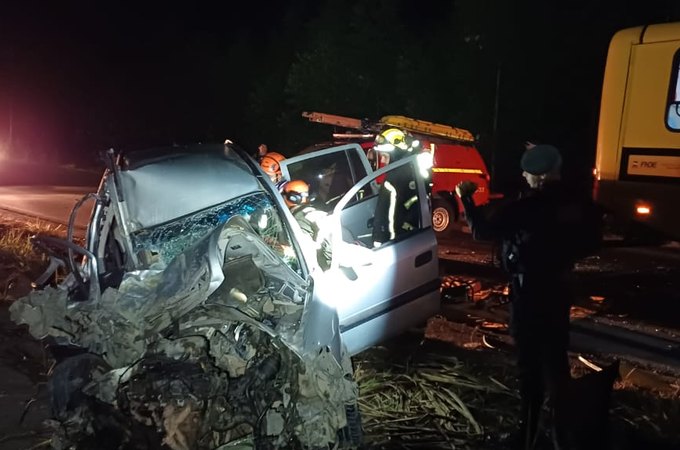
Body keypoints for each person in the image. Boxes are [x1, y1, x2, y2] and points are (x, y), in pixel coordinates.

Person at [455, 144, 601, 449]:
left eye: (528, 171)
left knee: (530, 366)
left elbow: (483, 230)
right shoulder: (577, 204)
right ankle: (563, 432)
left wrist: (466, 198)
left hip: (530, 292)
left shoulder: (527, 208)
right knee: (556, 362)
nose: (523, 175)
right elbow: (591, 242)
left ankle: (529, 433)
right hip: (559, 291)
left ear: (540, 175)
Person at [282, 179, 332, 270]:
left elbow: (305, 251)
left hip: (319, 266)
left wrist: (284, 250)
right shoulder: (311, 211)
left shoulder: (299, 219)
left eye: (283, 195)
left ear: (292, 198)